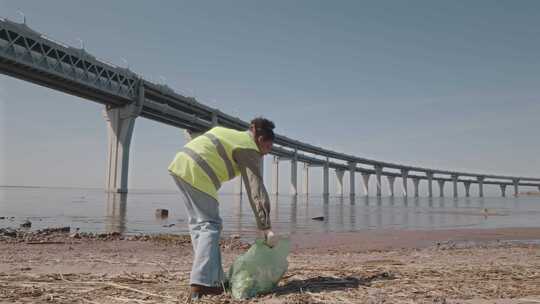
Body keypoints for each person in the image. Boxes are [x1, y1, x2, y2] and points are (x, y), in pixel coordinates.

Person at [168, 117, 277, 300]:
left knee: (199, 226)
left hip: (181, 164)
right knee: (210, 225)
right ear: (260, 140)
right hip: (198, 172)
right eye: (267, 148)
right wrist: (265, 226)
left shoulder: (234, 136)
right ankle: (202, 281)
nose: (266, 154)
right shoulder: (249, 147)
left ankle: (212, 280)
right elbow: (255, 189)